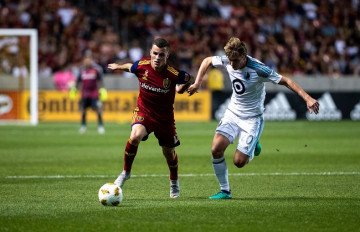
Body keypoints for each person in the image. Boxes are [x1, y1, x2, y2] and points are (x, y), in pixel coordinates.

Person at [187, 37, 320, 199]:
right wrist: (197, 83)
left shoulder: (258, 69)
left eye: (235, 61)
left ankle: (254, 144)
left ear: (244, 57)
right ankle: (225, 191)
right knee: (216, 149)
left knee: (239, 162)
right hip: (233, 113)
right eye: (230, 60)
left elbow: (286, 81)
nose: (232, 64)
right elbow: (207, 60)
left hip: (252, 119)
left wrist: (307, 98)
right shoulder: (229, 60)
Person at [107, 37, 194, 198]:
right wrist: (118, 66)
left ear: (167, 56)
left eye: (161, 55)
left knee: (168, 152)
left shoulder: (173, 74)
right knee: (135, 136)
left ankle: (174, 181)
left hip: (164, 118)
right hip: (144, 111)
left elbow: (190, 79)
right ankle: (126, 172)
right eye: (155, 53)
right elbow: (130, 67)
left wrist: (183, 89)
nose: (157, 58)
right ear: (150, 53)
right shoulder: (142, 66)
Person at [70, 56, 107, 134]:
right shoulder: (81, 71)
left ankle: (100, 126)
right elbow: (78, 82)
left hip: (94, 94)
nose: (87, 62)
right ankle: (83, 127)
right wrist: (74, 90)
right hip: (84, 94)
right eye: (85, 61)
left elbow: (100, 81)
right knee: (83, 111)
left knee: (98, 110)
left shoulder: (96, 70)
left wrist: (102, 90)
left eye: (88, 61)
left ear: (91, 61)